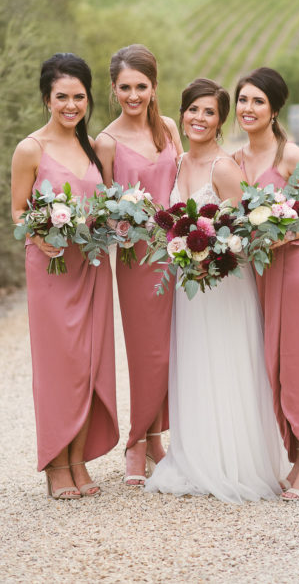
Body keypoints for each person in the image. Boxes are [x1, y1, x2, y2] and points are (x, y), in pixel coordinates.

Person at [145, 78, 287, 504]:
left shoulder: (223, 168)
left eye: (209, 112)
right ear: (183, 113)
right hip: (190, 289)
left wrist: (213, 251)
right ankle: (194, 457)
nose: (199, 118)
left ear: (220, 121)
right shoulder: (178, 163)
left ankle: (233, 464)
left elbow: (247, 231)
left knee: (226, 363)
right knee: (195, 364)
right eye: (193, 109)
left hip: (224, 284)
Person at [11, 53, 119, 499]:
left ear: (88, 97)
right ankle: (56, 463)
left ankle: (78, 460)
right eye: (62, 97)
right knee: (59, 365)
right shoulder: (30, 149)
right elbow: (18, 212)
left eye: (79, 96)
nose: (71, 105)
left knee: (90, 361)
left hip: (92, 267)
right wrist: (39, 238)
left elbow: (108, 203)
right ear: (46, 99)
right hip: (52, 268)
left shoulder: (94, 146)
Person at [234, 66, 299, 501]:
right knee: (274, 367)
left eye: (258, 101)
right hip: (262, 275)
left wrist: (289, 231)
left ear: (274, 109)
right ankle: (295, 455)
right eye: (242, 100)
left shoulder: (289, 156)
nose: (248, 108)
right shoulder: (236, 161)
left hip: (297, 270)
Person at [95, 44, 183, 486]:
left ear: (153, 86)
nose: (134, 95)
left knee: (173, 349)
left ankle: (154, 439)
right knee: (146, 350)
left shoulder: (168, 128)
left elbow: (184, 183)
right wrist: (121, 224)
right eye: (125, 87)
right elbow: (105, 206)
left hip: (179, 253)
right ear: (113, 89)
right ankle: (135, 443)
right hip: (135, 259)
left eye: (141, 87)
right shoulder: (105, 142)